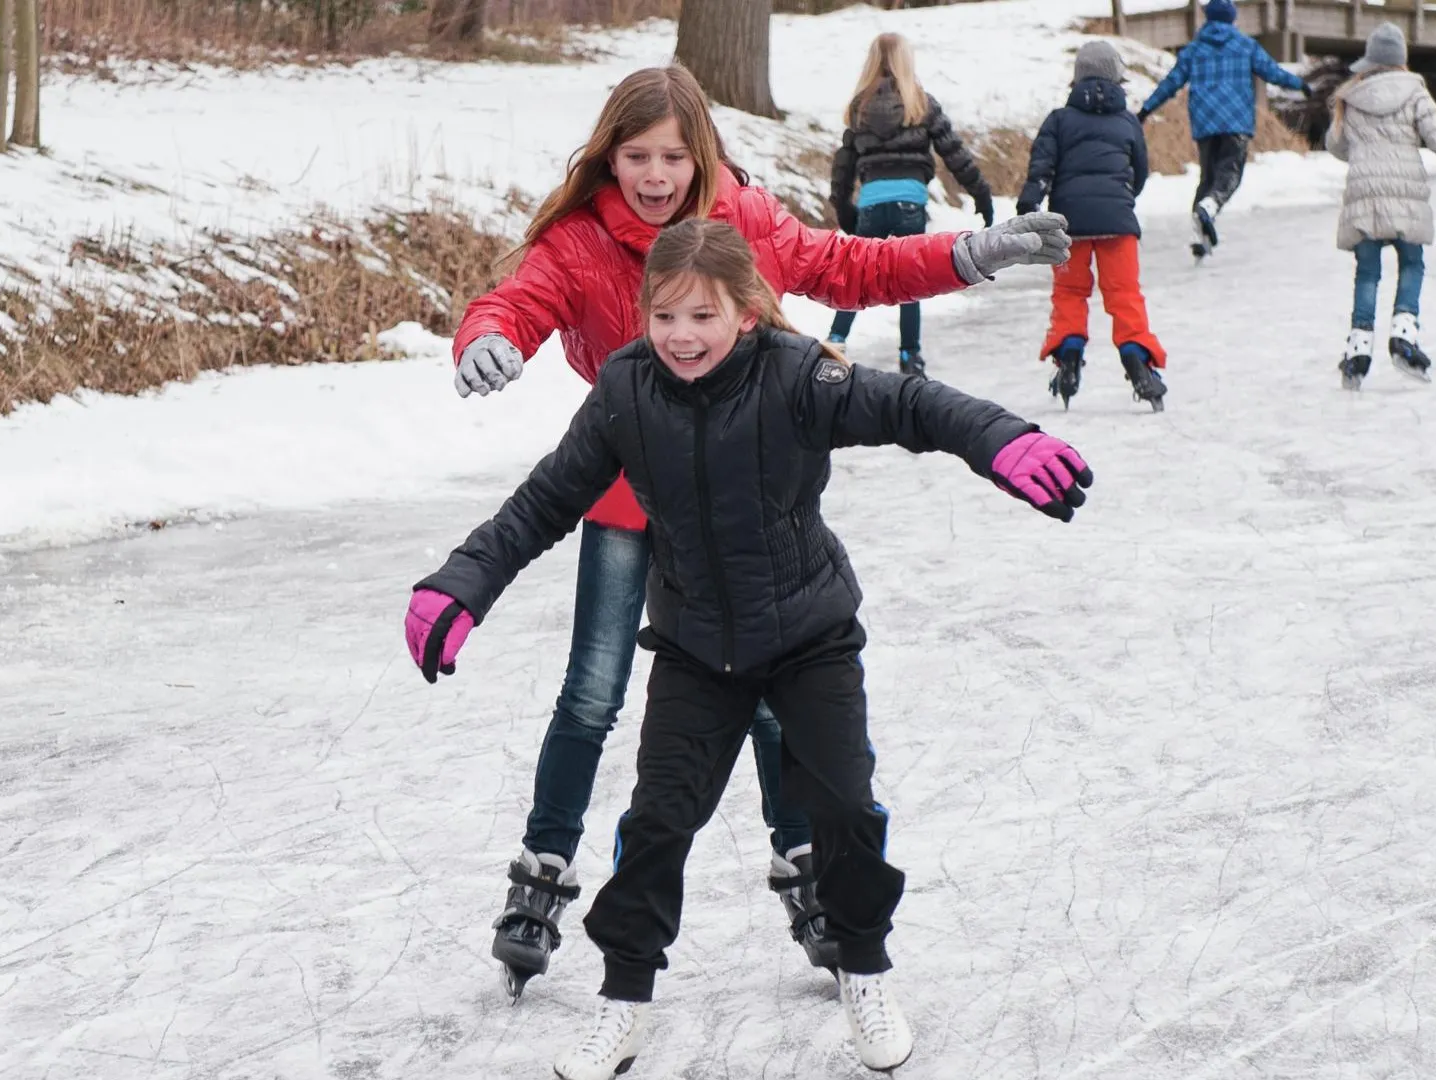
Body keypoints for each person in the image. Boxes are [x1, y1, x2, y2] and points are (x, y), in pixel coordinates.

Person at [407, 219, 1093, 1079]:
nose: (682, 336)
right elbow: (544, 501)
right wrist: (461, 582)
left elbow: (912, 406)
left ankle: (866, 970)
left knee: (842, 810)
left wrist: (1001, 440)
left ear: (745, 311)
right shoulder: (625, 392)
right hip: (696, 649)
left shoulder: (797, 376)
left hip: (810, 640)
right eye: (664, 317)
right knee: (656, 824)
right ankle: (622, 1001)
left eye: (702, 315)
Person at [1327, 24, 1436, 389]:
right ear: (1401, 60)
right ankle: (1403, 334)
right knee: (1411, 264)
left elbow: (1335, 145)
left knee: (1368, 273)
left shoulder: (1351, 97)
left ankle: (1358, 348)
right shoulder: (1415, 93)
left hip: (1365, 199)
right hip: (1406, 197)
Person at [828, 31, 996, 379]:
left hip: (872, 203)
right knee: (907, 279)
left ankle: (835, 341)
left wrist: (843, 207)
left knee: (857, 276)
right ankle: (909, 354)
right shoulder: (921, 102)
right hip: (910, 203)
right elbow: (954, 154)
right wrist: (980, 193)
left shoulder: (859, 108)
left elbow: (843, 165)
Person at [1017, 40, 1168, 412]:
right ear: (1118, 78)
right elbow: (1141, 171)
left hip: (1070, 226)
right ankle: (1138, 362)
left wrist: (1030, 203)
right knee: (1124, 294)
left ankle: (1068, 358)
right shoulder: (1128, 121)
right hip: (1118, 225)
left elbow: (1041, 168)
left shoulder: (1058, 120)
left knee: (1070, 293)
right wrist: (1122, 198)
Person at [1134, 0, 1308, 258]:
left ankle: (1201, 234)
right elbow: (1272, 72)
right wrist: (1301, 85)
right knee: (1230, 174)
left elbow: (1171, 83)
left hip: (1205, 123)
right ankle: (1211, 206)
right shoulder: (1245, 45)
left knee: (1207, 177)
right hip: (1236, 122)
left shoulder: (1194, 49)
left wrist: (1146, 109)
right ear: (1231, 19)